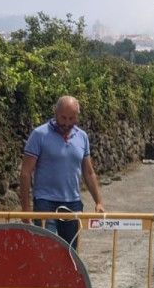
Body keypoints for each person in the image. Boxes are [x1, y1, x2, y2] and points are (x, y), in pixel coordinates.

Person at [18, 95, 105, 248]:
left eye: (71, 118)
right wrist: (26, 210)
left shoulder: (82, 137)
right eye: (63, 118)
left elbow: (89, 172)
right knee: (45, 250)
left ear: (77, 116)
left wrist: (98, 202)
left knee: (70, 252)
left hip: (73, 203)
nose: (66, 123)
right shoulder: (39, 135)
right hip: (45, 202)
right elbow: (25, 173)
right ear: (55, 113)